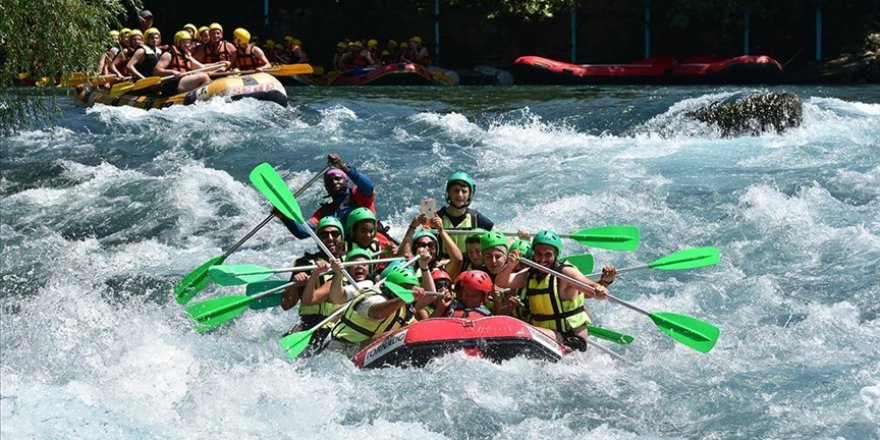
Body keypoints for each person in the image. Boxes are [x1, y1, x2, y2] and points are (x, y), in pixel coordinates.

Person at [495, 230, 617, 352]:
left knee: (520, 330)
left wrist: (603, 284)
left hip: (571, 338)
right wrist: (510, 265)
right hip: (546, 337)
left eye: (548, 255)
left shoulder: (565, 272)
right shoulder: (530, 274)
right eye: (538, 254)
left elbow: (592, 290)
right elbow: (501, 282)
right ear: (533, 253)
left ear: (556, 255)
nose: (542, 259)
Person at [328, 267, 432, 354]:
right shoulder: (372, 297)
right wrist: (403, 299)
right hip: (341, 348)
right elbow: (377, 313)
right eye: (407, 289)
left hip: (365, 349)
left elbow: (416, 327)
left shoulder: (405, 309)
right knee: (394, 336)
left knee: (408, 332)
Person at [276, 153, 377, 240]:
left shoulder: (358, 195)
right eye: (329, 181)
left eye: (338, 179)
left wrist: (343, 167)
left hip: (372, 245)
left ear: (346, 181)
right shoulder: (324, 213)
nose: (334, 182)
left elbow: (368, 186)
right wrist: (284, 217)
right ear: (326, 187)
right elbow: (303, 232)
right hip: (348, 253)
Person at [280, 217, 347, 335]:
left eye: (335, 234)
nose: (330, 238)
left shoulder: (351, 262)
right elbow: (286, 305)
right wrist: (295, 285)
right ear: (317, 239)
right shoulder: (305, 263)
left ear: (341, 238)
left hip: (341, 323)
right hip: (311, 323)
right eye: (324, 235)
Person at [437, 172, 495, 259]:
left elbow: (500, 238)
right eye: (456, 190)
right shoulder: (437, 218)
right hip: (441, 267)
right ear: (449, 192)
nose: (460, 195)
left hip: (469, 268)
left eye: (464, 191)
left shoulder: (476, 218)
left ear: (469, 195)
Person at [398, 214, 463, 279]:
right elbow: (401, 257)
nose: (427, 249)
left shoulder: (442, 269)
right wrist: (412, 227)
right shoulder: (408, 268)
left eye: (430, 245)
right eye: (422, 245)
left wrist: (441, 230)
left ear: (436, 249)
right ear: (415, 250)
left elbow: (458, 260)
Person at [153, 30, 213, 95]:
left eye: (188, 42)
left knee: (207, 77)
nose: (187, 45)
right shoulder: (169, 54)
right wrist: (173, 72)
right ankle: (194, 96)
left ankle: (195, 97)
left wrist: (220, 64)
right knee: (203, 77)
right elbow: (156, 71)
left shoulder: (186, 56)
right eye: (184, 42)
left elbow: (202, 67)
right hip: (172, 84)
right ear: (178, 43)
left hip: (183, 82)